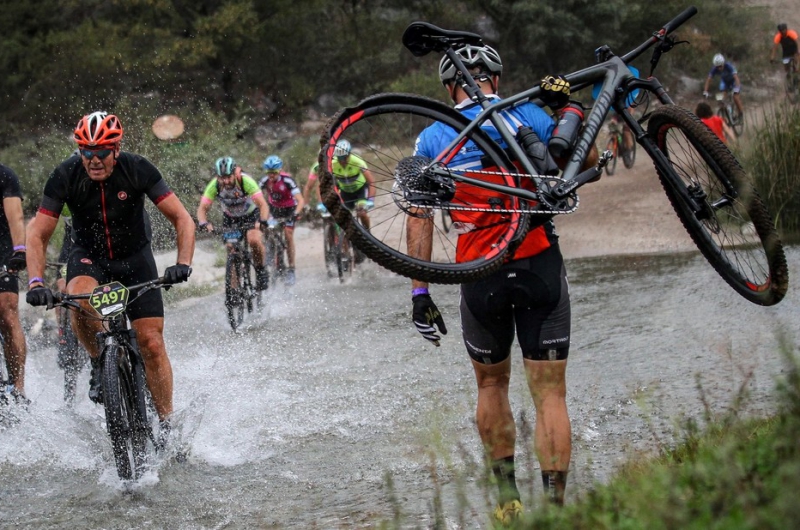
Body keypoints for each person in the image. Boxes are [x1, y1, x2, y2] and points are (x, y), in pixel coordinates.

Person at [406, 43, 598, 523]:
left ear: (449, 87)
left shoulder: (431, 138)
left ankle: (508, 503)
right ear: (497, 76)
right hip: (537, 262)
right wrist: (567, 108)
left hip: (479, 274)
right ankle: (554, 510)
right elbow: (588, 156)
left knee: (491, 386)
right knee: (550, 393)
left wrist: (420, 293)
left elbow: (418, 220)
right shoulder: (527, 112)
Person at [25, 111, 195, 436]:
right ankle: (99, 363)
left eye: (101, 152)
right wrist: (35, 282)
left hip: (135, 258)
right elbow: (38, 234)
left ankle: (167, 422)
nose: (93, 160)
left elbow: (182, 219)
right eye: (86, 152)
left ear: (116, 149)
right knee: (82, 302)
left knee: (152, 342)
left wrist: (182, 263)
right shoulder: (65, 174)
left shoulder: (138, 168)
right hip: (89, 257)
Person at [197, 156, 271, 290]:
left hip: (250, 215)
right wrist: (204, 223)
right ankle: (233, 290)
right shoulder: (215, 185)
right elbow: (202, 208)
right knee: (231, 249)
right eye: (222, 177)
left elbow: (263, 205)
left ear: (235, 173)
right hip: (230, 218)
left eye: (228, 177)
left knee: (254, 240)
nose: (225, 181)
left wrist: (263, 221)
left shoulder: (245, 181)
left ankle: (260, 271)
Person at [0, 163, 28, 406]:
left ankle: (18, 387)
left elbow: (16, 217)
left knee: (7, 313)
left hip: (2, 250)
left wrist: (19, 250)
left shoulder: (4, 175)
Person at [259, 155, 305, 286]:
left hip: (289, 210)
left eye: (274, 172)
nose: (271, 175)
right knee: (266, 226)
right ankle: (269, 250)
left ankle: (291, 268)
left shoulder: (287, 181)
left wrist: (296, 213)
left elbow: (300, 200)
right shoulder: (264, 181)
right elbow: (255, 195)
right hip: (274, 210)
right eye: (269, 172)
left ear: (279, 171)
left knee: (288, 234)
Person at [329, 139, 376, 231]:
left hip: (360, 191)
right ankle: (343, 243)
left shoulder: (358, 162)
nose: (342, 161)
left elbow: (371, 182)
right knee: (341, 217)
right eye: (339, 158)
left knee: (361, 213)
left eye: (344, 157)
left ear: (349, 154)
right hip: (345, 192)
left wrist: (370, 200)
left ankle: (368, 233)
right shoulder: (333, 164)